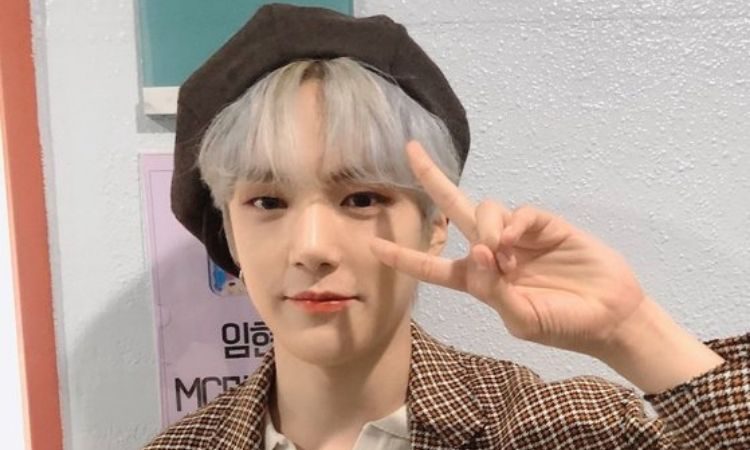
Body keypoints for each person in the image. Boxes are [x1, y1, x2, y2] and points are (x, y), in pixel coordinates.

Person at [144, 4, 749, 449]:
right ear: (228, 233)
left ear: (434, 225)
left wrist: (631, 330)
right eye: (268, 202)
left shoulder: (559, 430)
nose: (313, 248)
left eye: (361, 198)